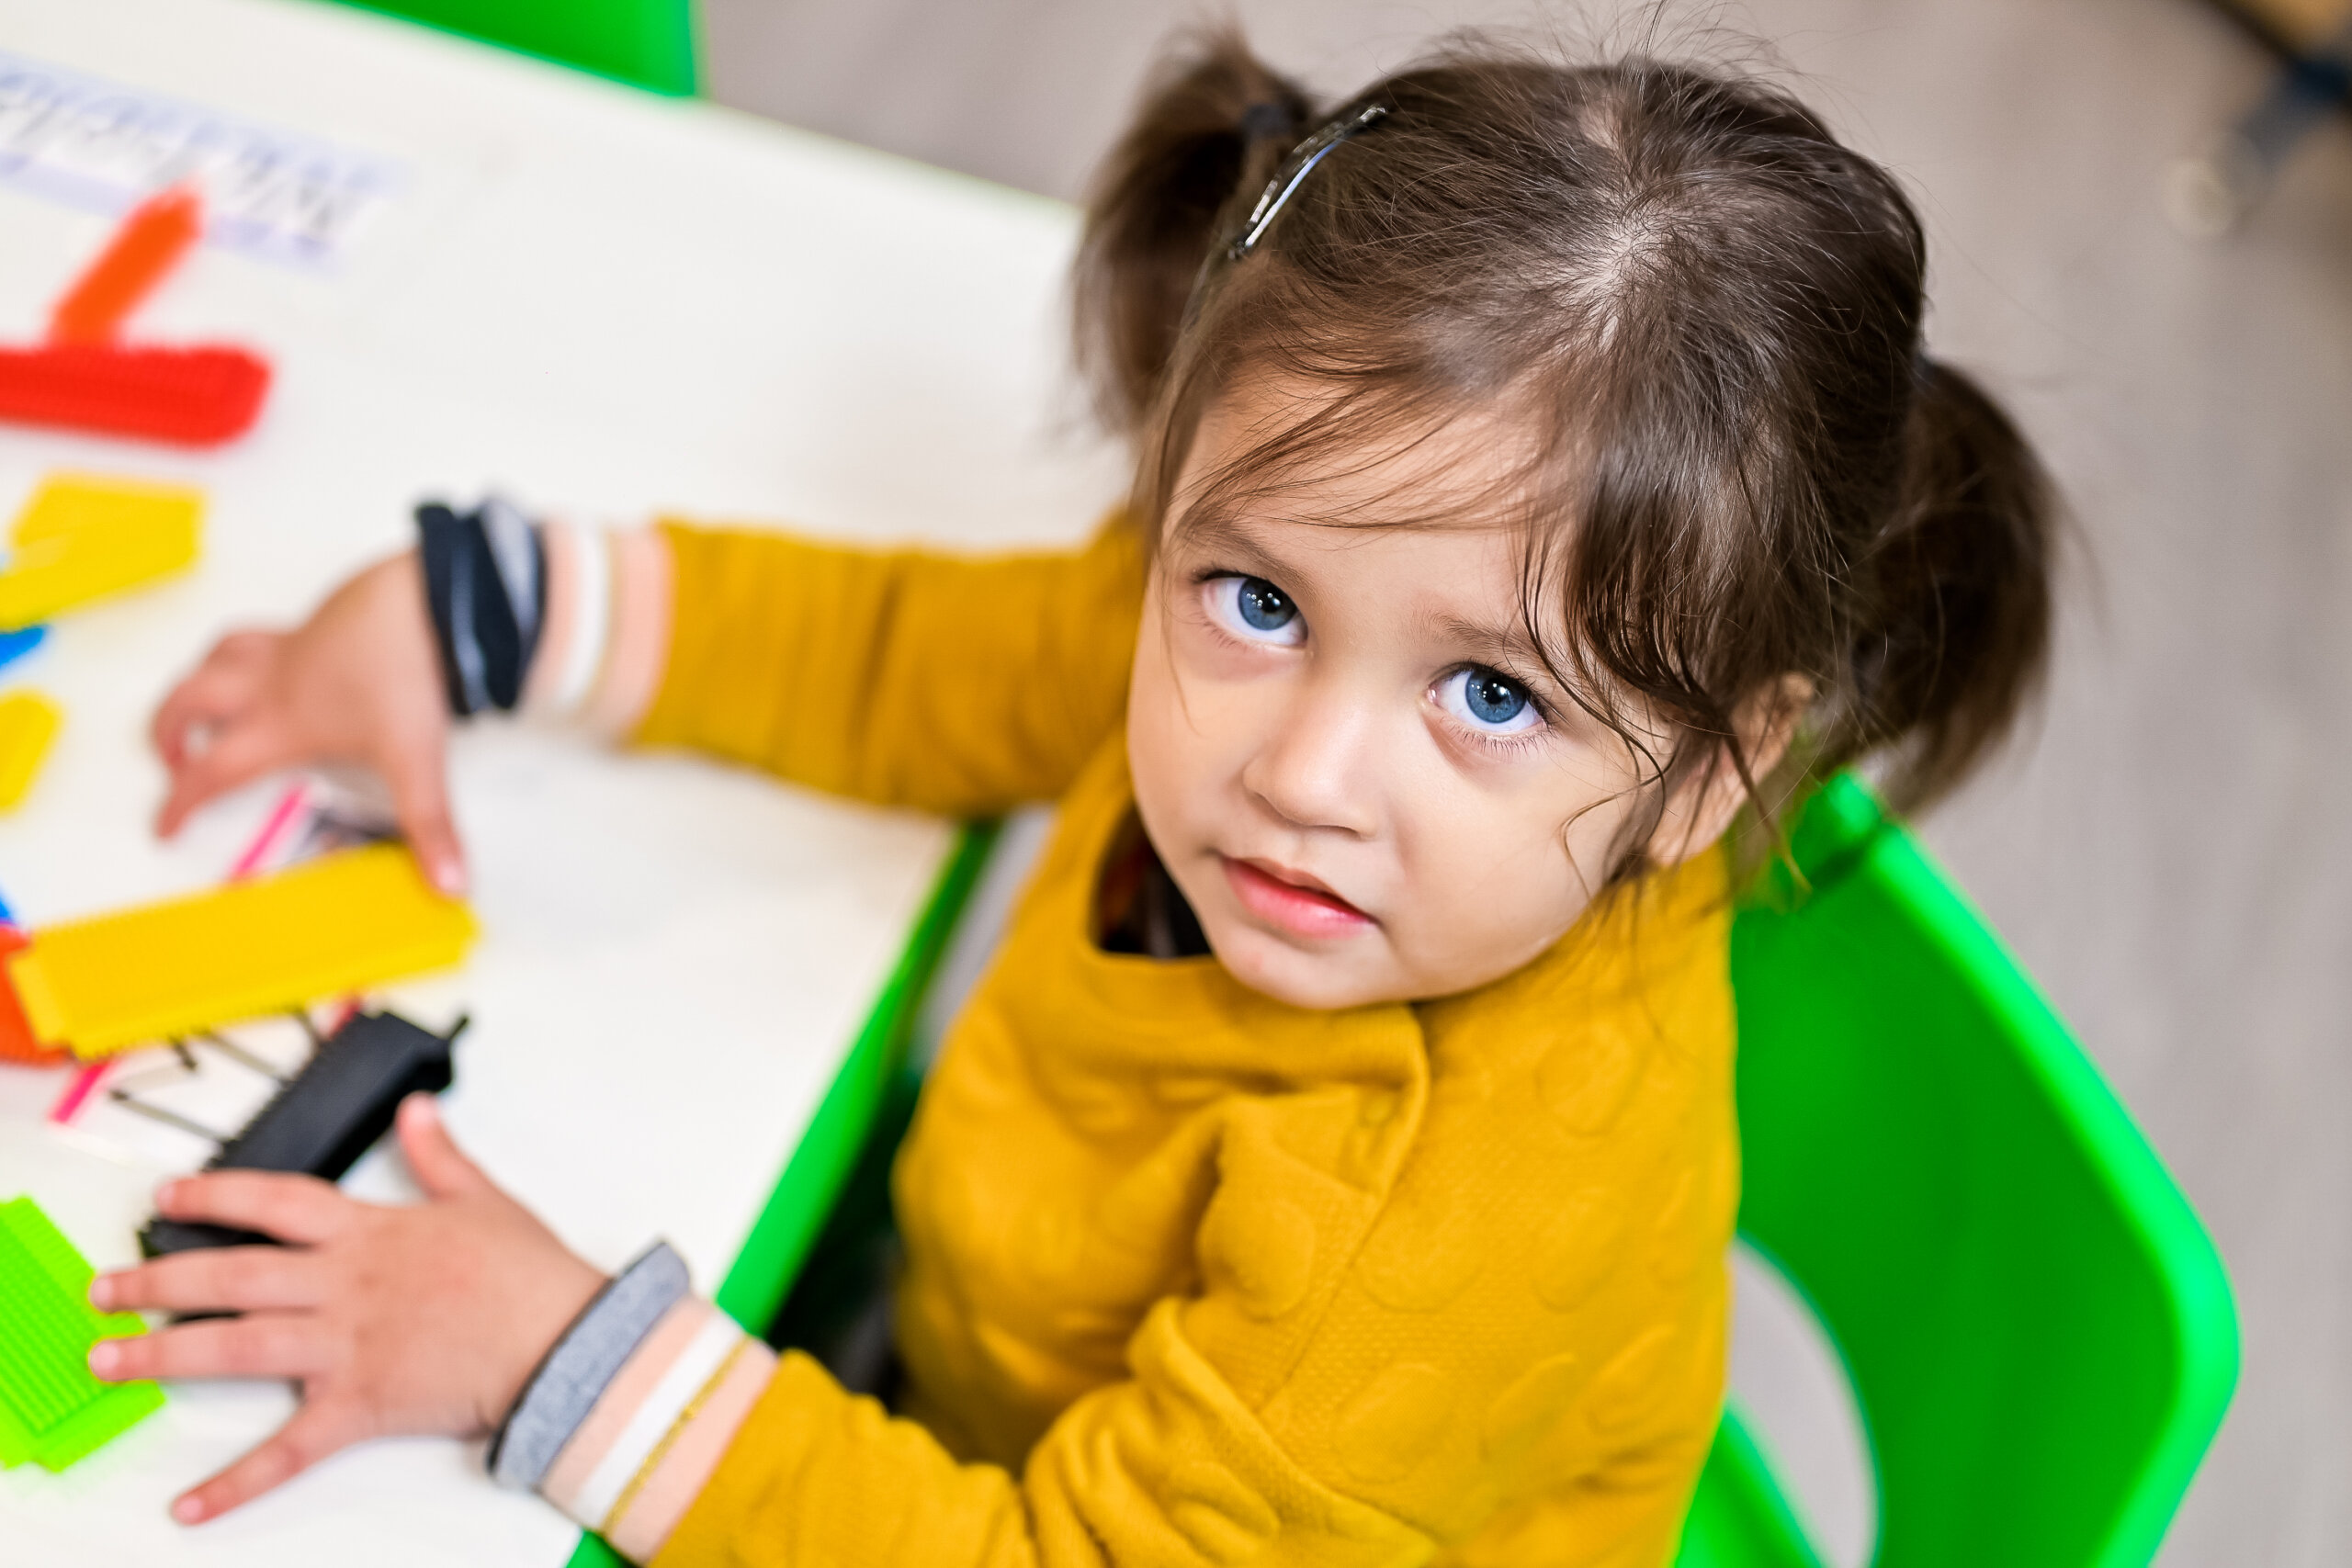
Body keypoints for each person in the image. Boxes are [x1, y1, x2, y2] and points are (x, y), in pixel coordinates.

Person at [88, 31, 2053, 1568]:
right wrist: (479, 610)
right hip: (995, 1396)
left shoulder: (1446, 1228)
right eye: (1256, 598)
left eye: (1485, 694)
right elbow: (900, 654)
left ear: (1707, 768)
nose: (1297, 769)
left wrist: (556, 1356)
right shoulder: (1261, 664)